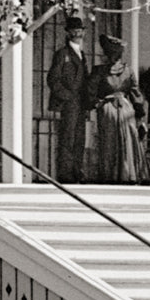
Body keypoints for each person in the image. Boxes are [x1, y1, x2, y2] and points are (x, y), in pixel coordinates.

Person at [86, 34, 150, 184]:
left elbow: (89, 93)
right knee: (127, 141)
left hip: (108, 109)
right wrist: (140, 118)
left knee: (109, 143)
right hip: (126, 108)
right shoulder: (128, 71)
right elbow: (136, 95)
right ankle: (128, 175)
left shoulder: (99, 71)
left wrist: (97, 104)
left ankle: (111, 176)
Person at [47, 16, 90, 183]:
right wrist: (66, 96)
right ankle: (65, 174)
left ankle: (77, 171)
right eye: (74, 30)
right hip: (68, 103)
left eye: (80, 30)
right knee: (67, 138)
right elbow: (53, 79)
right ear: (68, 32)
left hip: (81, 103)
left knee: (79, 138)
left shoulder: (82, 54)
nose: (77, 33)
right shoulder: (62, 54)